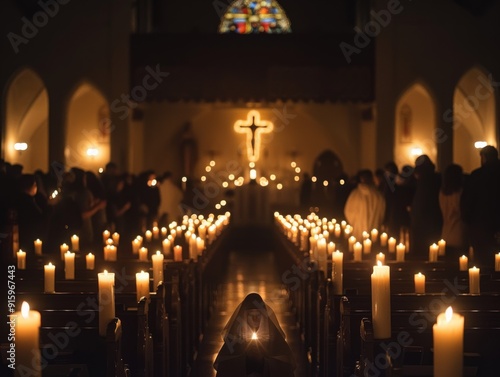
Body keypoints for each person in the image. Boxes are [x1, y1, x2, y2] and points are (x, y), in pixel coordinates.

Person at [214, 293, 295, 377]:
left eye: (258, 315)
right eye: (251, 315)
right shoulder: (234, 341)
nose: (255, 319)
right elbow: (226, 366)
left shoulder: (274, 339)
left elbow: (284, 366)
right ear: (244, 317)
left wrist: (263, 363)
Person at [461, 145, 500, 266]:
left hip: (481, 228)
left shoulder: (477, 175)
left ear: (483, 157)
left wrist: (467, 221)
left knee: (484, 264)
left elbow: (467, 202)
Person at [409, 155, 442, 259]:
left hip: (422, 224)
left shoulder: (423, 182)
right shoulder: (437, 179)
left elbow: (420, 205)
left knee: (421, 253)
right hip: (435, 222)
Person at [344, 169, 386, 240]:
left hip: (358, 233)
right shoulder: (378, 195)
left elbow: (348, 212)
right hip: (373, 233)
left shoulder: (355, 194)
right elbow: (382, 213)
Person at [439, 164, 466, 260]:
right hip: (458, 234)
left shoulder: (442, 193)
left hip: (445, 234)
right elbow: (461, 212)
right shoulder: (459, 194)